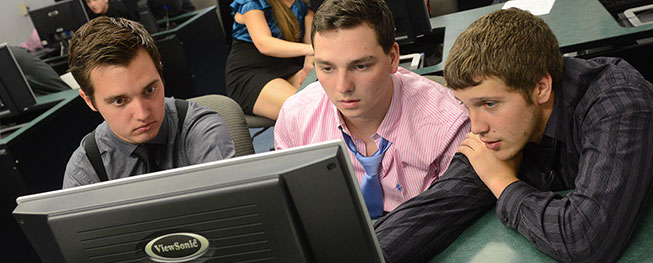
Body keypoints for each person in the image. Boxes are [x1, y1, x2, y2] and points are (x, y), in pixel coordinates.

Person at [374, 8, 653, 262]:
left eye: (489, 104)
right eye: (468, 106)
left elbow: (585, 239)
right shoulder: (502, 131)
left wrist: (502, 183)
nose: (477, 127)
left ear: (541, 87)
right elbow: (436, 209)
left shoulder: (616, 104)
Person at [274, 0, 470, 219]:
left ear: (393, 59)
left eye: (360, 66)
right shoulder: (295, 117)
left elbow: (457, 219)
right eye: (327, 68)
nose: (343, 87)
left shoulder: (449, 123)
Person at [62, 17, 235, 188]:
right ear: (89, 101)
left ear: (160, 74)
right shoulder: (85, 170)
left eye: (149, 90)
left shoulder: (202, 131)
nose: (142, 114)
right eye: (119, 101)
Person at [225, 0, 314, 120]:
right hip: (251, 72)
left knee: (326, 98)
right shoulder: (252, 3)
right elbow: (264, 45)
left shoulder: (301, 5)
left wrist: (308, 64)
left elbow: (312, 43)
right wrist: (311, 49)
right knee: (305, 109)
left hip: (287, 67)